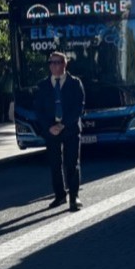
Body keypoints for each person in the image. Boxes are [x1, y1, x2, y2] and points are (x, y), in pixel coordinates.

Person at [35, 52, 85, 211]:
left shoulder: (75, 83)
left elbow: (79, 107)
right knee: (54, 164)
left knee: (72, 163)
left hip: (70, 129)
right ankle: (60, 195)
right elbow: (38, 110)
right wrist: (49, 127)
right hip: (51, 130)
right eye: (52, 62)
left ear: (65, 64)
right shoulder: (43, 85)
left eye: (58, 62)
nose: (55, 66)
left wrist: (63, 125)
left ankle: (74, 197)